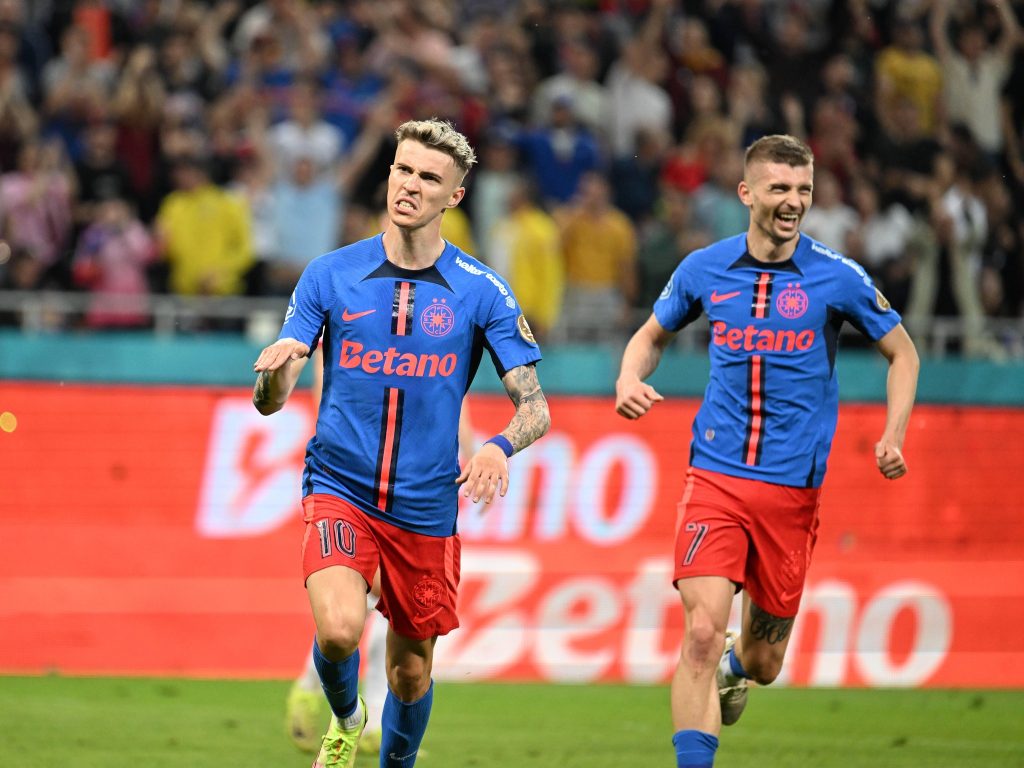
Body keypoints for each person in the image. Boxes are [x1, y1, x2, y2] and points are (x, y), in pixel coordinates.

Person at [252, 118, 550, 768]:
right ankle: (347, 718)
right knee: (339, 631)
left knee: (411, 674)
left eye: (428, 178)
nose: (410, 186)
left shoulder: (482, 290)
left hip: (424, 507)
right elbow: (272, 400)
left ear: (455, 196)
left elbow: (535, 407)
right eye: (403, 170)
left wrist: (497, 447)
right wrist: (270, 379)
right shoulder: (330, 274)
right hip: (340, 485)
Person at [614, 134, 919, 768]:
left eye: (804, 189)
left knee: (763, 661)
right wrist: (627, 377)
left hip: (791, 495)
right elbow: (650, 336)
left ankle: (738, 667)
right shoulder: (705, 268)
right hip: (715, 478)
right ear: (746, 193)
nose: (794, 201)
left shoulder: (836, 275)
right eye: (780, 187)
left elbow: (904, 353)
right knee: (700, 631)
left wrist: (894, 432)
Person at [285, 344, 478, 756]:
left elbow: (450, 399)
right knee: (364, 605)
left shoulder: (430, 343)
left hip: (416, 490)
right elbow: (329, 395)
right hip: (355, 485)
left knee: (377, 613)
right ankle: (336, 703)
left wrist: (473, 450)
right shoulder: (349, 329)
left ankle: (326, 698)